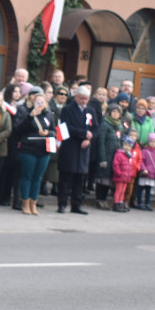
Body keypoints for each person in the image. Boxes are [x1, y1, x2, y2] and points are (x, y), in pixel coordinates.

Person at [57, 84, 98, 214]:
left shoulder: (90, 111)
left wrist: (89, 138)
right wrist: (83, 134)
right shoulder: (67, 109)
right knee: (66, 178)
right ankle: (62, 204)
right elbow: (66, 126)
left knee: (80, 179)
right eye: (81, 98)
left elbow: (96, 128)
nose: (84, 101)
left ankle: (76, 205)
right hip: (70, 147)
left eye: (86, 98)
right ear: (76, 97)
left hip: (84, 149)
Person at [15, 91, 53, 215]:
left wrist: (48, 133)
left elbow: (54, 131)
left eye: (42, 102)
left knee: (38, 178)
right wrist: (31, 115)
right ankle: (25, 202)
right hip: (29, 149)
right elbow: (19, 129)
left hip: (44, 150)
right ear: (33, 102)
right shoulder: (27, 113)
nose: (40, 104)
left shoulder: (48, 115)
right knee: (27, 176)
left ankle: (33, 203)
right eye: (38, 102)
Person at [95, 103, 124, 210]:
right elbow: (101, 142)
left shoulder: (120, 126)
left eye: (117, 112)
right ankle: (100, 199)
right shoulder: (105, 124)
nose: (115, 114)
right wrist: (102, 158)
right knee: (102, 179)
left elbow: (121, 141)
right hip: (106, 156)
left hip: (115, 157)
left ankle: (104, 199)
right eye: (113, 111)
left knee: (109, 180)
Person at [111, 136, 137, 212]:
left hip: (126, 177)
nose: (127, 147)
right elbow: (115, 165)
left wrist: (129, 174)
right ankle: (116, 204)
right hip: (120, 176)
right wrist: (119, 173)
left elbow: (131, 166)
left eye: (129, 146)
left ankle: (120, 203)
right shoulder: (119, 154)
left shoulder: (129, 156)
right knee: (118, 191)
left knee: (123, 191)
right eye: (125, 145)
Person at [137, 133, 155, 211]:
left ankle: (147, 203)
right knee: (141, 188)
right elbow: (141, 161)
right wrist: (143, 169)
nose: (153, 143)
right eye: (151, 141)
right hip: (145, 173)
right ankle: (139, 202)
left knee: (148, 190)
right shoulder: (144, 151)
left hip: (152, 174)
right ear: (148, 142)